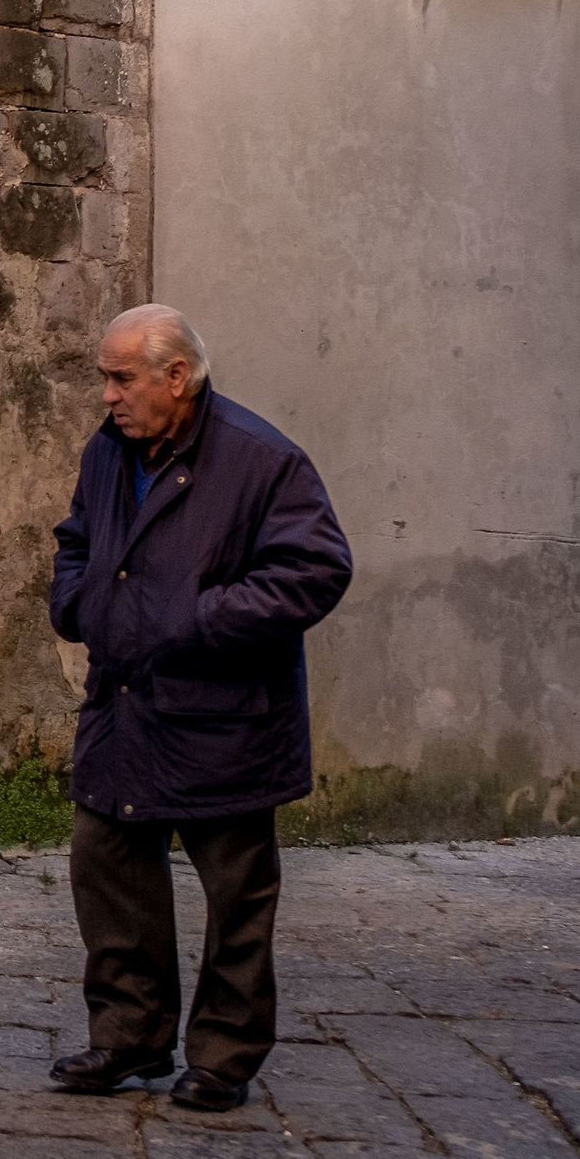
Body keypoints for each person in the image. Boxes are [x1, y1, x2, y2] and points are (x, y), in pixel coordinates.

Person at [48, 305, 352, 1110]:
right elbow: (76, 538)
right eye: (106, 378)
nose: (107, 395)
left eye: (121, 378)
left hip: (225, 716)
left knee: (236, 896)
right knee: (108, 869)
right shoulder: (108, 453)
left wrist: (198, 621)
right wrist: (78, 603)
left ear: (175, 376)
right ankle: (128, 1038)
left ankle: (223, 1056)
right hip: (124, 705)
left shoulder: (263, 461)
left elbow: (315, 571)